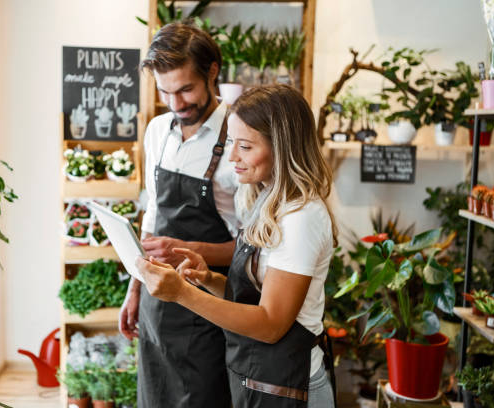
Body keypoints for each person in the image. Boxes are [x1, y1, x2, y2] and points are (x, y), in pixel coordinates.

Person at [137, 84, 338, 408]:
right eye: (231, 143)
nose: (232, 158)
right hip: (259, 381)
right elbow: (259, 295)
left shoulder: (301, 216)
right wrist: (207, 280)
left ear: (282, 148)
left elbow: (271, 323)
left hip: (289, 388)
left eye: (245, 146)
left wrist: (182, 294)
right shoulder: (267, 200)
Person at [118, 22, 239, 408]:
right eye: (165, 91)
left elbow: (253, 250)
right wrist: (135, 288)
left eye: (186, 88)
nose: (176, 103)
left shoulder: (240, 140)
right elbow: (153, 214)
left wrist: (187, 248)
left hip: (211, 309)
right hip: (157, 304)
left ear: (212, 72)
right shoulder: (157, 131)